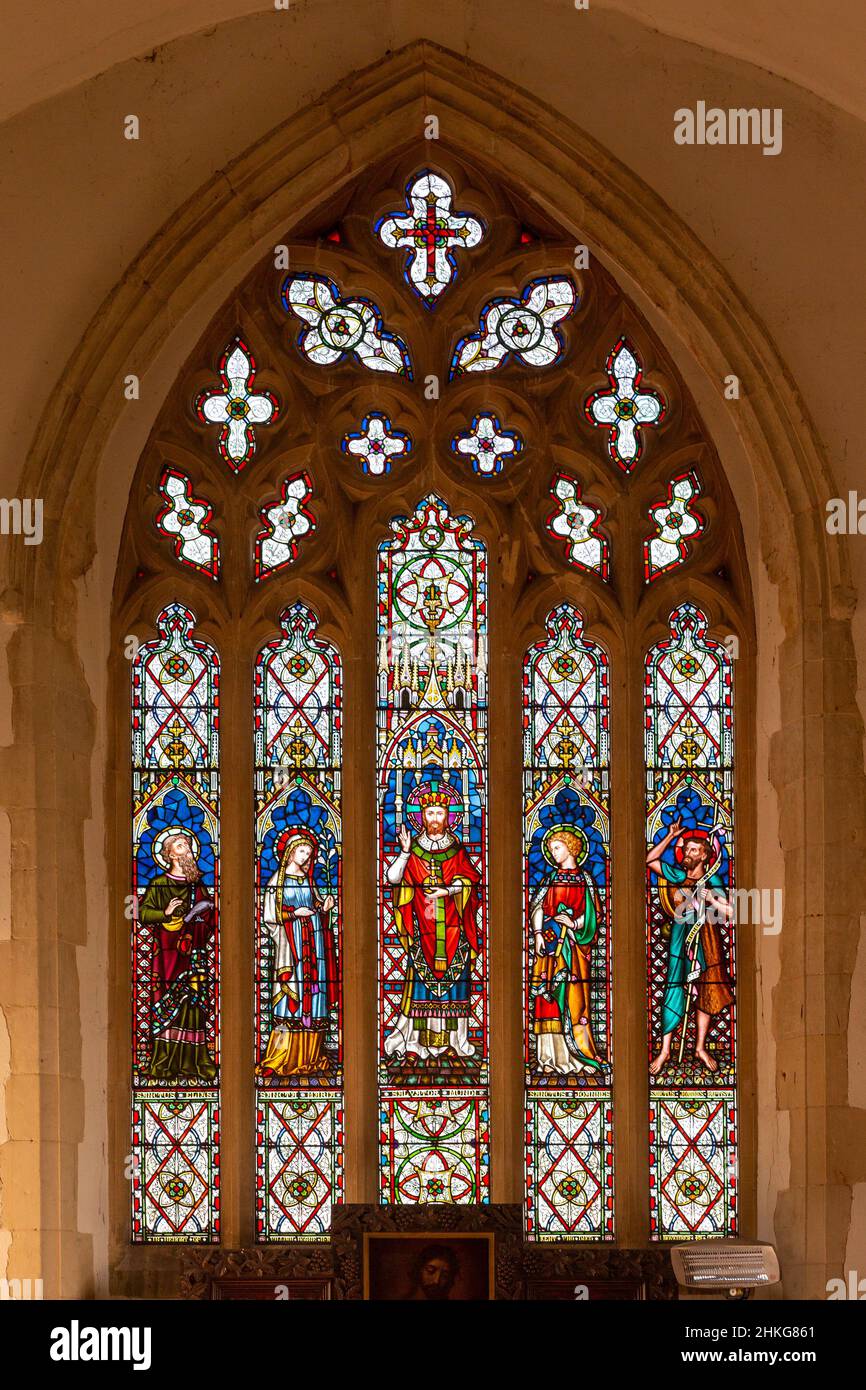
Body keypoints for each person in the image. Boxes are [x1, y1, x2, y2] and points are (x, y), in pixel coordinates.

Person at [384, 785, 481, 1061]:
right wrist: (404, 852)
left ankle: (453, 1044)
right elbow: (393, 879)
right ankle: (416, 1045)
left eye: (440, 812)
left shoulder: (456, 850)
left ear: (448, 816)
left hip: (454, 930)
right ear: (422, 817)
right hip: (422, 931)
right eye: (430, 813)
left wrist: (448, 891)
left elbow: (470, 881)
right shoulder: (412, 849)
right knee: (421, 990)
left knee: (454, 990)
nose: (435, 818)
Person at [646, 821, 734, 1075]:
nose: (688, 853)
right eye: (686, 849)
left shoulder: (712, 878)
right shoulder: (678, 875)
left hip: (706, 938)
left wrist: (711, 899)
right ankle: (665, 1051)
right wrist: (671, 835)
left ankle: (699, 1048)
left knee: (706, 988)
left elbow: (730, 912)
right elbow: (650, 859)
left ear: (705, 855)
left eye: (694, 850)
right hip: (681, 936)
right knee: (674, 987)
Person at [138, 830, 217, 1082]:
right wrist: (166, 912)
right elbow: (142, 914)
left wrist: (203, 913)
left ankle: (195, 1061)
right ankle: (164, 1062)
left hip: (195, 954)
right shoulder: (159, 885)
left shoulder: (198, 885)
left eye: (189, 846)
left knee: (194, 1004)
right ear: (170, 853)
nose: (189, 850)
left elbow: (211, 916)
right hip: (168, 955)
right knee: (169, 1003)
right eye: (182, 846)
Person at [257, 830, 336, 1078]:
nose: (305, 857)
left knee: (313, 999)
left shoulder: (310, 880)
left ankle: (311, 1057)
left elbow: (316, 907)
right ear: (290, 852)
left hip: (314, 946)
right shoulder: (276, 882)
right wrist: (293, 915)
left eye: (309, 853)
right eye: (302, 851)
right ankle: (281, 1056)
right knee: (291, 998)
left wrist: (324, 907)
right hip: (291, 947)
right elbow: (270, 917)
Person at [529, 827, 605, 1075]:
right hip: (549, 947)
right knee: (546, 998)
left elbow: (594, 915)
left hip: (572, 949)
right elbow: (537, 907)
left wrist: (573, 924)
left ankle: (577, 1055)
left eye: (557, 847)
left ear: (571, 847)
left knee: (574, 1000)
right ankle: (549, 1057)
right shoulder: (549, 880)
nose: (553, 853)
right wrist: (538, 934)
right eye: (550, 849)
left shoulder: (586, 881)